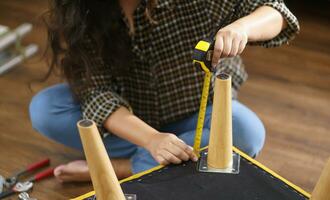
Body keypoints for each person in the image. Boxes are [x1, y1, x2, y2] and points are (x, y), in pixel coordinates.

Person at [29, 0, 299, 182]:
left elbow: (277, 12)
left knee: (247, 133)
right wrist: (152, 139)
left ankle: (121, 167)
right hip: (132, 118)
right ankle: (160, 159)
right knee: (45, 109)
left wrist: (243, 27)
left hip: (197, 111)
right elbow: (97, 94)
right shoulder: (84, 12)